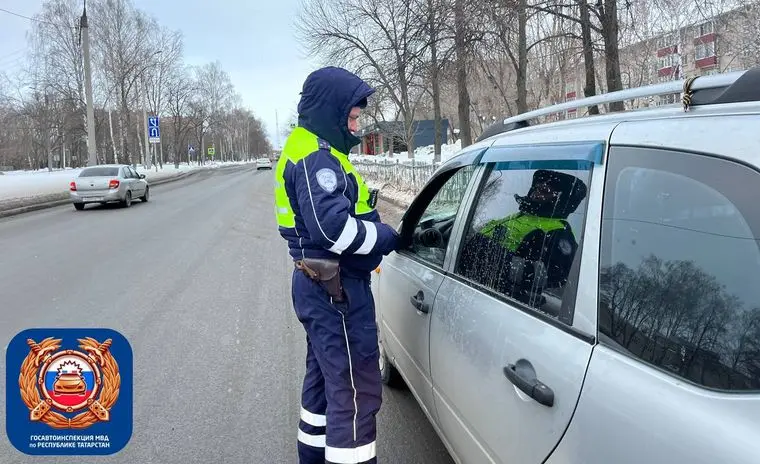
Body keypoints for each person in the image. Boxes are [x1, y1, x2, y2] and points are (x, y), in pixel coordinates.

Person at [273, 66, 402, 464]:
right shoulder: (316, 157)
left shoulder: (310, 148)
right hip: (337, 291)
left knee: (323, 386)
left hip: (320, 285)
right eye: (352, 116)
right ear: (331, 112)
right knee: (355, 393)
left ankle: (313, 458)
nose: (357, 125)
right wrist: (385, 237)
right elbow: (332, 231)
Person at [457, 169, 587, 306]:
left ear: (561, 199)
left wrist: (501, 262)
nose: (536, 194)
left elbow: (556, 277)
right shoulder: (520, 216)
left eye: (545, 192)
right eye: (536, 188)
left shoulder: (557, 232)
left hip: (500, 299)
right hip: (472, 282)